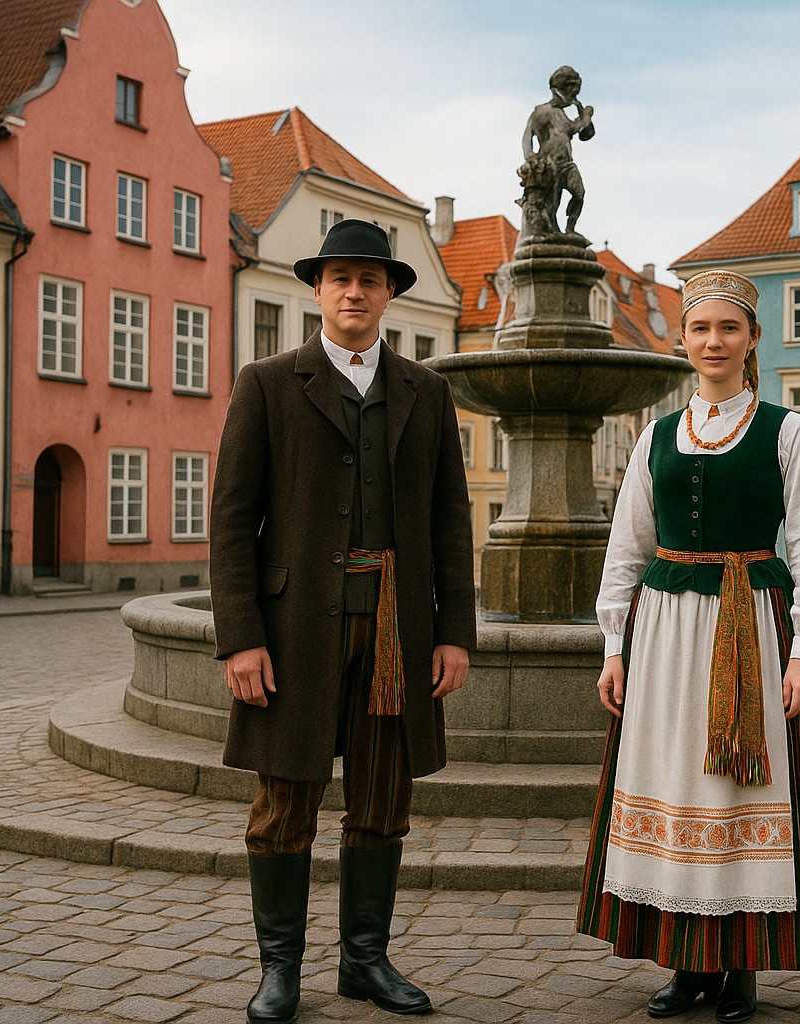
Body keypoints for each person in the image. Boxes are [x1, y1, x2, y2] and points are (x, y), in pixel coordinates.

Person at [576, 269, 800, 1022]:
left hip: (753, 628)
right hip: (665, 635)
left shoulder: (787, 432)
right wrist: (613, 645)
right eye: (701, 328)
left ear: (751, 339)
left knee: (740, 786)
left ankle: (741, 969)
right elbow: (628, 546)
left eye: (728, 328)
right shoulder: (656, 435)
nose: (714, 341)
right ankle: (686, 962)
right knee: (676, 783)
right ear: (683, 339)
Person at [209, 219, 476, 1023]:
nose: (354, 292)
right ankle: (280, 971)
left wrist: (455, 632)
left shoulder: (428, 391)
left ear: (390, 291)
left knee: (383, 802)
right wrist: (240, 638)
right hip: (294, 631)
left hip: (396, 629)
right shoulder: (266, 382)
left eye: (368, 279)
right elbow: (232, 521)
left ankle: (365, 961)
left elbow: (450, 521)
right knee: (284, 803)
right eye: (340, 279)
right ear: (318, 290)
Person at [519, 64, 595, 236]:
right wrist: (529, 156)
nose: (572, 97)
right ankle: (552, 230)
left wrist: (585, 117)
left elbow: (579, 131)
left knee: (579, 193)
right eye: (570, 92)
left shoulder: (561, 114)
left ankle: (570, 228)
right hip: (550, 164)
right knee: (553, 200)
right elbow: (527, 136)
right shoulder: (543, 111)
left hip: (567, 163)